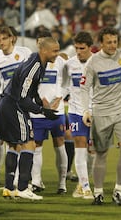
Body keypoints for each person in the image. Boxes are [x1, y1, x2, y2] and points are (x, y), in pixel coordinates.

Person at [80, 26, 121, 206]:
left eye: (115, 42)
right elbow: (84, 88)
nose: (113, 46)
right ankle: (98, 192)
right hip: (101, 113)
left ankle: (119, 191)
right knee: (101, 153)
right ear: (100, 43)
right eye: (109, 42)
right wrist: (86, 110)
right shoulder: (93, 62)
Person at [0, 36, 60, 200]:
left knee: (14, 146)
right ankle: (23, 187)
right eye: (55, 51)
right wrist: (43, 111)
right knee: (29, 143)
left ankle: (9, 188)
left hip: (7, 103)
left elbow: (30, 92)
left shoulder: (38, 61)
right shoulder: (35, 66)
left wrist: (40, 103)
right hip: (14, 106)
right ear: (44, 50)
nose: (57, 54)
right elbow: (22, 98)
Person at [0, 26, 32, 188]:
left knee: (21, 140)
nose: (1, 42)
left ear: (12, 38)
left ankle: (18, 178)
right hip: (3, 104)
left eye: (4, 38)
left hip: (21, 104)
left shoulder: (24, 53)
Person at [30, 31, 68, 195]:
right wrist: (41, 100)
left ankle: (62, 183)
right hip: (38, 112)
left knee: (60, 145)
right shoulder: (32, 61)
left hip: (57, 111)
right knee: (36, 146)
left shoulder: (61, 62)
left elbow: (66, 82)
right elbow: (30, 84)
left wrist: (60, 97)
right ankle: (36, 181)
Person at [63, 31, 94, 200]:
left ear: (90, 47)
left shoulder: (98, 62)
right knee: (80, 146)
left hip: (95, 112)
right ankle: (86, 186)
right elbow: (65, 87)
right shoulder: (69, 64)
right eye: (76, 48)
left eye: (82, 48)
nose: (79, 51)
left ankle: (84, 181)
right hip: (76, 111)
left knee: (94, 151)